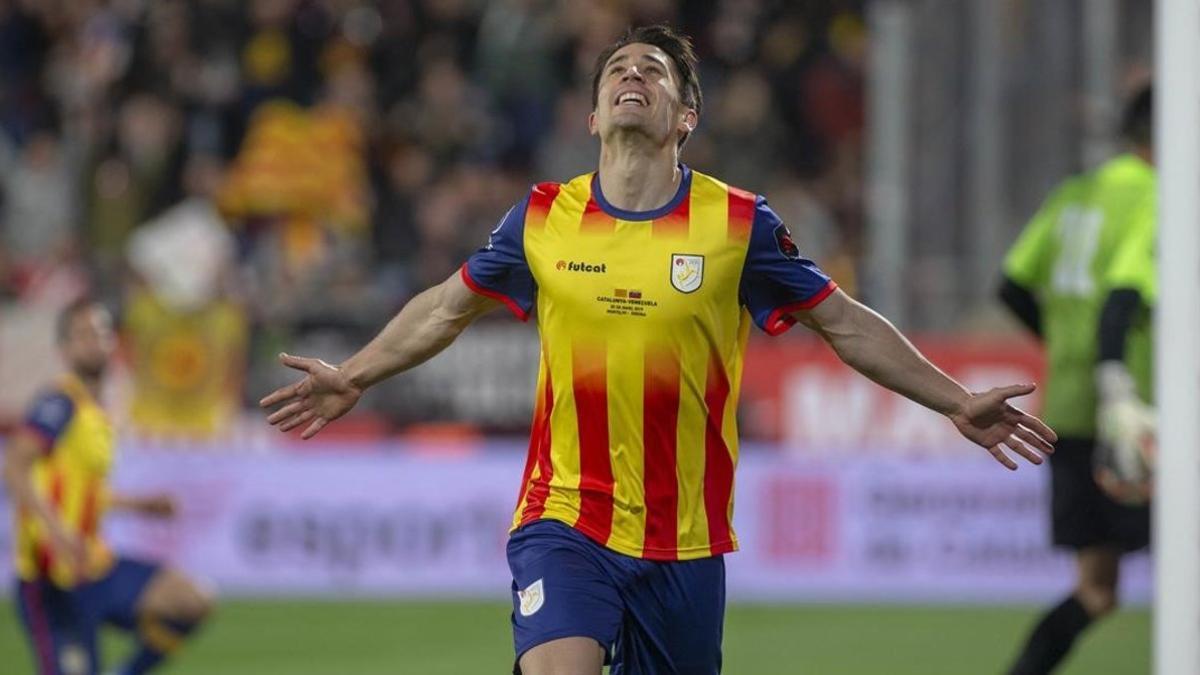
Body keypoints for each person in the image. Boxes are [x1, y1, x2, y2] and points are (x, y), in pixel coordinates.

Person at [262, 25, 1056, 675]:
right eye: (616, 68)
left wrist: (956, 399)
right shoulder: (542, 218)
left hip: (686, 542)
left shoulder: (739, 225)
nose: (630, 74)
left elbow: (842, 321)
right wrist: (355, 373)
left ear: (686, 117)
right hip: (565, 513)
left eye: (653, 69)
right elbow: (445, 306)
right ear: (593, 116)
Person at [998, 85, 1154, 674]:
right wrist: (1116, 378)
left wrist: (1065, 346)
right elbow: (1123, 298)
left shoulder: (1074, 194)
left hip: (1069, 407)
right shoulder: (1157, 196)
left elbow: (1011, 284)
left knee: (1096, 589)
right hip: (1137, 415)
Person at [4, 298, 214, 675]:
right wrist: (56, 530)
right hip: (51, 580)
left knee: (192, 600)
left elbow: (83, 492)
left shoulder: (95, 412)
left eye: (102, 332)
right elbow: (15, 467)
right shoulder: (58, 403)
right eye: (83, 334)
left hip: (93, 565)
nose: (95, 341)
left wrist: (139, 506)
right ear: (64, 349)